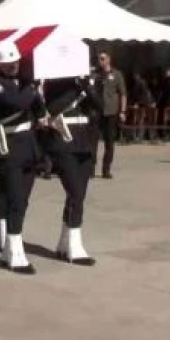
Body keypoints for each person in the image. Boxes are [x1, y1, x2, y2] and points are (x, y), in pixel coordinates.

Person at [0, 40, 42, 274]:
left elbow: (38, 109)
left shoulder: (21, 82)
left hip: (28, 145)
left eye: (15, 61)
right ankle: (15, 250)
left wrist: (35, 90)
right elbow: (15, 103)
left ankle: (9, 244)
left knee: (23, 200)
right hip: (7, 147)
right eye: (7, 63)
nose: (13, 66)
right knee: (15, 199)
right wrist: (32, 88)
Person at [41, 72, 102, 266]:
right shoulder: (53, 83)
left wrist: (87, 87)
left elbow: (101, 106)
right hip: (63, 141)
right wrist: (75, 89)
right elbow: (52, 108)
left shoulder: (84, 84)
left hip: (84, 141)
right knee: (75, 192)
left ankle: (64, 242)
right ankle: (75, 247)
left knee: (78, 195)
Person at [91, 51, 125, 178]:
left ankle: (106, 170)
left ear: (109, 59)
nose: (101, 61)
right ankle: (91, 170)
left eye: (103, 58)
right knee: (93, 141)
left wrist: (122, 111)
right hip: (97, 112)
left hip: (111, 112)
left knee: (109, 142)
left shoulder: (116, 75)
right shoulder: (95, 75)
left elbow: (123, 94)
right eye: (99, 58)